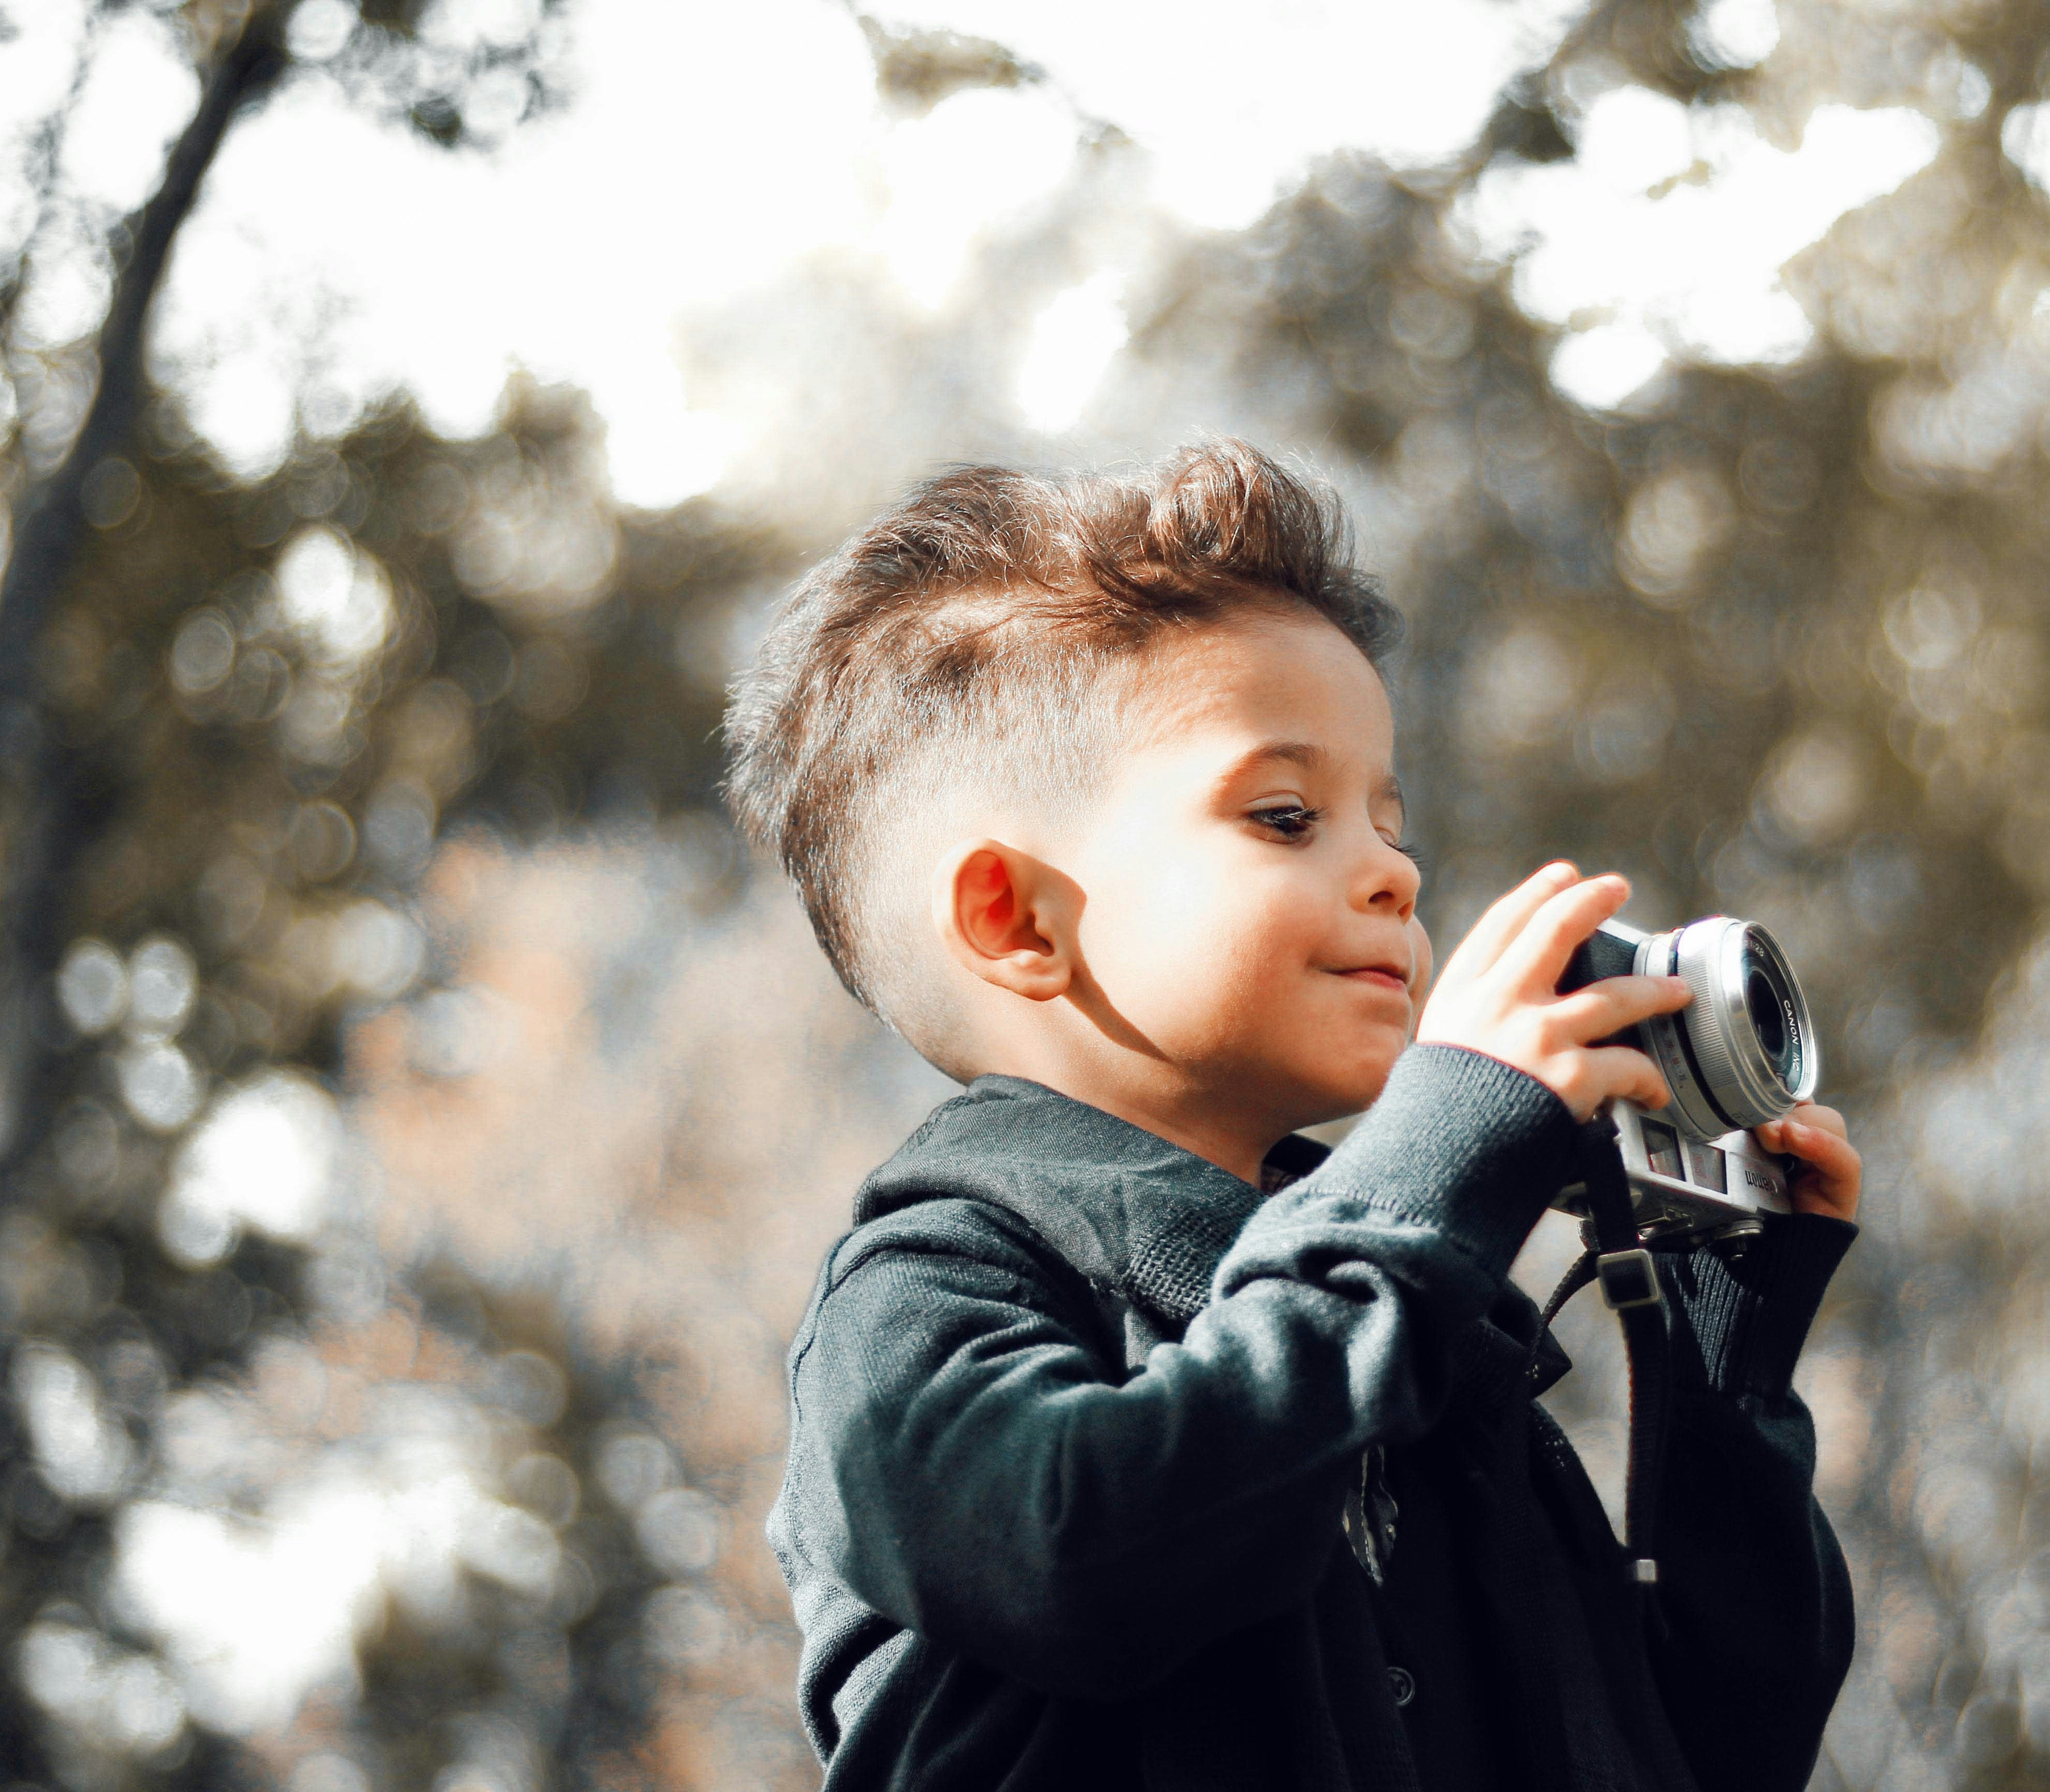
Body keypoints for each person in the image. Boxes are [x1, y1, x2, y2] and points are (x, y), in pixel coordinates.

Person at [722, 439, 1864, 1792]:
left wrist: (1724, 1366)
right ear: (1017, 920)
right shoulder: (933, 1284)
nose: (1392, 870)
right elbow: (1090, 1552)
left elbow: (1715, 1745)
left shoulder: (1414, 1340)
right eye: (1284, 814)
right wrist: (1435, 1168)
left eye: (1389, 819)